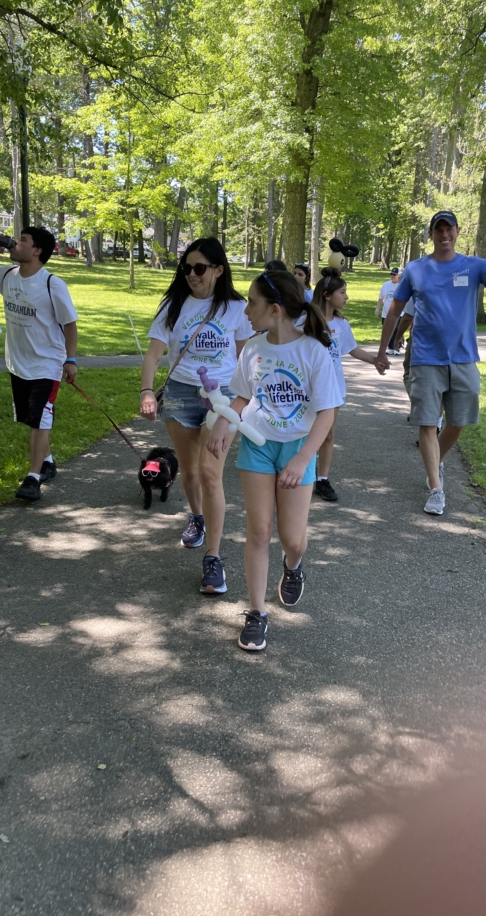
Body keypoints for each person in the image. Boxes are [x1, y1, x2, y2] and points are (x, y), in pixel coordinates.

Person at [207, 270, 341, 651]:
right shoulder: (252, 348)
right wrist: (224, 421)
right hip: (257, 445)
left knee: (292, 539)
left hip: (298, 448)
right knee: (259, 532)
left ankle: (293, 566)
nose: (246, 310)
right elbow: (241, 397)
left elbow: (327, 413)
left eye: (252, 303)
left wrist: (302, 459)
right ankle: (256, 613)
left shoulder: (313, 351)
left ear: (275, 309)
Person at [377, 207, 486, 516]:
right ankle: (436, 488)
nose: (444, 234)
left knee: (459, 422)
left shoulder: (473, 266)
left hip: (463, 357)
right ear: (431, 234)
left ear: (457, 232)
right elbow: (394, 311)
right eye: (439, 230)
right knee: (427, 422)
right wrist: (383, 350)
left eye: (449, 229)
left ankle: (437, 463)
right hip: (425, 358)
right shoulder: (415, 269)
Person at [140, 238, 253, 594]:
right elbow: (153, 354)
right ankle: (198, 517)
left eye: (200, 268)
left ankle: (213, 559)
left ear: (218, 270)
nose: (192, 274)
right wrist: (146, 391)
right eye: (187, 267)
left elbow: (247, 359)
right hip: (180, 393)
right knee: (189, 472)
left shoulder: (236, 308)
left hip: (222, 397)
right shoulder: (173, 305)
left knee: (209, 474)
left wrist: (246, 400)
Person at [0, 227, 78, 501]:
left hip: (47, 363)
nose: (15, 243)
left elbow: (70, 324)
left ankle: (33, 478)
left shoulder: (52, 284)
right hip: (17, 363)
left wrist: (70, 359)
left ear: (37, 251)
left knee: (40, 419)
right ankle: (47, 461)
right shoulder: (7, 275)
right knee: (32, 418)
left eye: (23, 240)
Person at [311, 268, 386, 502]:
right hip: (307, 387)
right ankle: (301, 473)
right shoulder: (306, 321)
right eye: (342, 292)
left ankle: (322, 479)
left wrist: (375, 360)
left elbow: (351, 349)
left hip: (333, 388)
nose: (346, 297)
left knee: (328, 434)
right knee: (304, 432)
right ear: (327, 295)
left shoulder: (341, 324)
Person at [375, 267, 402, 353]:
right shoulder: (386, 284)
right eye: (391, 274)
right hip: (386, 312)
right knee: (387, 330)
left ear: (399, 275)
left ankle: (397, 348)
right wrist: (377, 308)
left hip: (398, 312)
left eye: (394, 274)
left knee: (397, 330)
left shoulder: (402, 285)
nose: (392, 276)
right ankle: (390, 347)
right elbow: (381, 298)